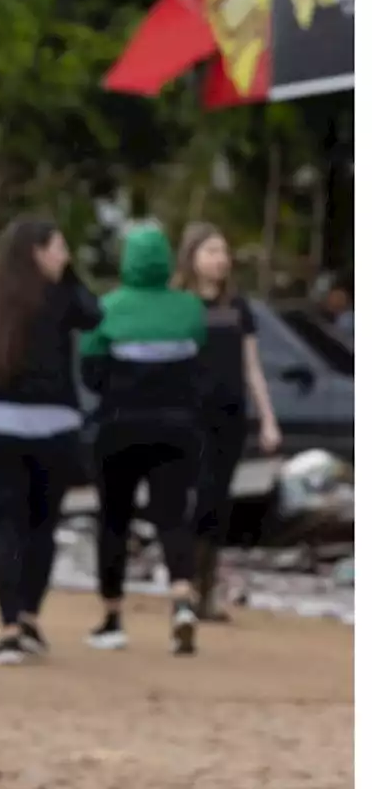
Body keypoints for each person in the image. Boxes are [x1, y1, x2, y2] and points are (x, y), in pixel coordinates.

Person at [0, 217, 101, 665]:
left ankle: (10, 626)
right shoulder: (62, 296)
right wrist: (69, 278)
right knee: (42, 528)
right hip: (55, 427)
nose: (65, 257)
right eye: (60, 248)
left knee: (6, 527)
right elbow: (95, 314)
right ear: (37, 251)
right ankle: (29, 615)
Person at [79, 224, 206, 656]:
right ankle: (184, 600)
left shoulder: (107, 308)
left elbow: (91, 375)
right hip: (176, 430)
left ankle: (113, 618)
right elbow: (200, 365)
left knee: (114, 521)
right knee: (172, 517)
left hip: (117, 431)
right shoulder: (190, 310)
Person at [171, 222, 281, 622]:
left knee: (217, 501)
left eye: (223, 252)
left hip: (230, 416)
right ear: (192, 258)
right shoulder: (178, 304)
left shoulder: (239, 307)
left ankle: (205, 591)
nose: (220, 260)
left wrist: (268, 419)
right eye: (211, 252)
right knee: (191, 499)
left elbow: (252, 366)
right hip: (187, 416)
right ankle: (183, 587)